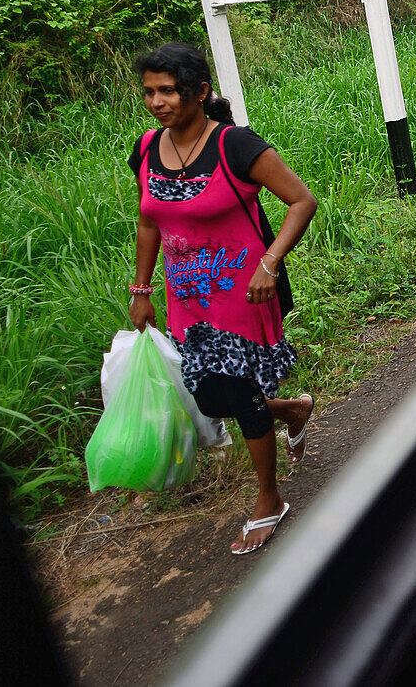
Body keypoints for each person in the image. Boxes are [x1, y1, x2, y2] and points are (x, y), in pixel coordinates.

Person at [126, 42, 317, 556]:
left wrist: (269, 262)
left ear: (200, 91)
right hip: (187, 296)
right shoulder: (146, 149)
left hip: (244, 290)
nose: (157, 101)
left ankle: (269, 499)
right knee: (211, 396)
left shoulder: (237, 145)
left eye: (168, 90)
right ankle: (292, 411)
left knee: (235, 391)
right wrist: (142, 291)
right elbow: (148, 221)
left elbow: (302, 201)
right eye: (149, 91)